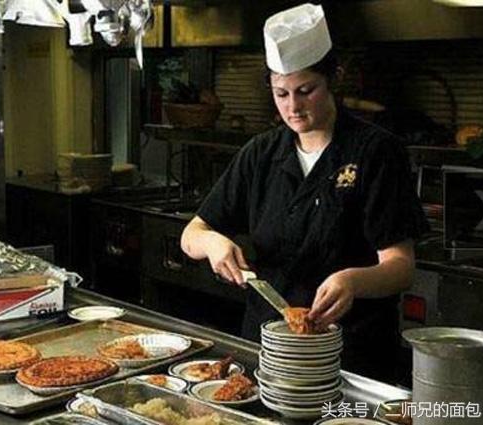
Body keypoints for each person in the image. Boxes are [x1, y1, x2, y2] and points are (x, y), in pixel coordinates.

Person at [180, 3, 429, 383]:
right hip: (268, 351)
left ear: (333, 79)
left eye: (305, 91)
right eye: (281, 94)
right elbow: (191, 234)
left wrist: (353, 281)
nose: (292, 107)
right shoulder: (261, 153)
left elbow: (400, 267)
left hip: (352, 354)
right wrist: (212, 243)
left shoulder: (376, 151)